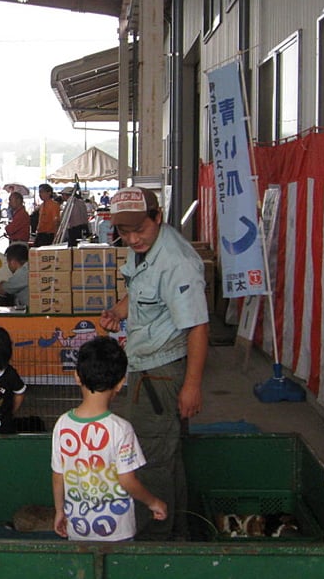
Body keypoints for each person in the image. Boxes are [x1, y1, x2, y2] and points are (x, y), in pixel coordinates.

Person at [99, 187, 208, 541]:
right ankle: (177, 536)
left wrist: (191, 385)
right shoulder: (148, 251)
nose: (132, 239)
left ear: (158, 217)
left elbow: (198, 326)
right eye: (125, 233)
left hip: (162, 372)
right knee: (168, 456)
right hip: (146, 367)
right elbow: (144, 289)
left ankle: (150, 545)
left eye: (139, 230)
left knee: (148, 462)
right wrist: (119, 309)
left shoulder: (177, 261)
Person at [51, 336, 167, 542]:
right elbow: (127, 481)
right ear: (121, 383)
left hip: (77, 527)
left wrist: (60, 511)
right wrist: (153, 502)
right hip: (117, 531)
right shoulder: (121, 430)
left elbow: (58, 475)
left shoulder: (62, 424)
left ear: (77, 376)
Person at [0, 243, 29, 308]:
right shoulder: (29, 268)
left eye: (8, 263)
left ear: (12, 262)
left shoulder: (23, 272)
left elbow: (2, 289)